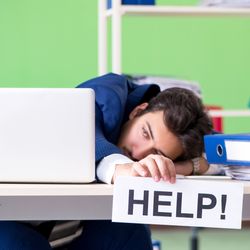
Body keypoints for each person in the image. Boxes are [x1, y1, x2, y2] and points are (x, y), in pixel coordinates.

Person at [0, 73, 214, 250]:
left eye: (156, 153)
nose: (139, 153)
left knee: (131, 229)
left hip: (72, 229)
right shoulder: (107, 94)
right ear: (138, 110)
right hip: (14, 221)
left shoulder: (182, 136)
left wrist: (187, 166)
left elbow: (218, 151)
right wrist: (120, 168)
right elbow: (83, 136)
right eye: (145, 133)